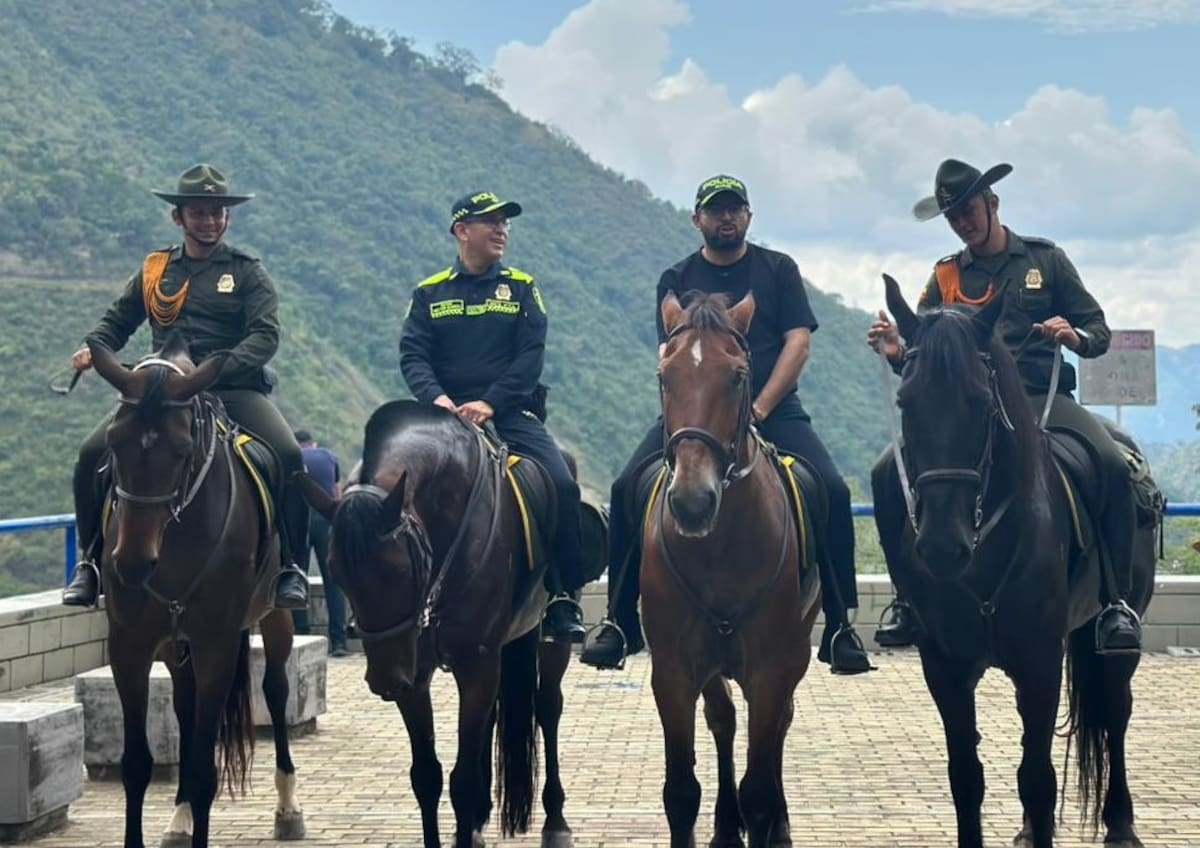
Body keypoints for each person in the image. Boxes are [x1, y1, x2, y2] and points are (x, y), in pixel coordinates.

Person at [581, 175, 872, 674]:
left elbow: (797, 343)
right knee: (628, 483)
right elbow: (672, 356)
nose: (726, 217)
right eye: (715, 210)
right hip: (697, 414)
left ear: (749, 217)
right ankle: (619, 619)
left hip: (770, 408)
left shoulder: (778, 270)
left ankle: (841, 624)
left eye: (735, 208)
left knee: (830, 488)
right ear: (697, 220)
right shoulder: (675, 278)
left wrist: (759, 406)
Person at [867, 158, 1142, 654]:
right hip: (970, 409)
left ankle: (1116, 602)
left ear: (992, 203)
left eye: (969, 211)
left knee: (1110, 465)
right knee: (887, 471)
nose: (963, 224)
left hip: (1042, 395)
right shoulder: (945, 276)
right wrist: (897, 352)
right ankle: (907, 599)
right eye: (954, 218)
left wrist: (1075, 335)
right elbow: (928, 358)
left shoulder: (1046, 261)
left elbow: (1098, 330)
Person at [62, 163, 308, 610]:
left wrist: (217, 370)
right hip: (162, 393)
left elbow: (265, 335)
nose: (210, 221)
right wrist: (94, 346)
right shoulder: (156, 270)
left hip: (229, 387)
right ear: (179, 218)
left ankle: (290, 567)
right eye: (199, 213)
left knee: (288, 454)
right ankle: (90, 562)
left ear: (227, 216)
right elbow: (116, 322)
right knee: (91, 453)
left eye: (217, 213)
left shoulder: (247, 271)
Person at [398, 190, 586, 643]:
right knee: (382, 488)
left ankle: (563, 595)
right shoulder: (429, 291)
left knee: (562, 484)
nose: (501, 229)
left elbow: (530, 356)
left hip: (510, 414)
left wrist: (491, 403)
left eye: (505, 222)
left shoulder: (522, 286)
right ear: (462, 231)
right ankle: (394, 597)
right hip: (442, 418)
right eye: (490, 221)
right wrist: (437, 398)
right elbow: (413, 354)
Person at [293, 429, 348, 657]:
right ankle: (339, 642)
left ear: (297, 444)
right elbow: (337, 494)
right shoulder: (328, 456)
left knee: (296, 580)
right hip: (326, 523)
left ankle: (302, 636)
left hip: (299, 522)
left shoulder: (292, 456)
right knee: (333, 582)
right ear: (313, 444)